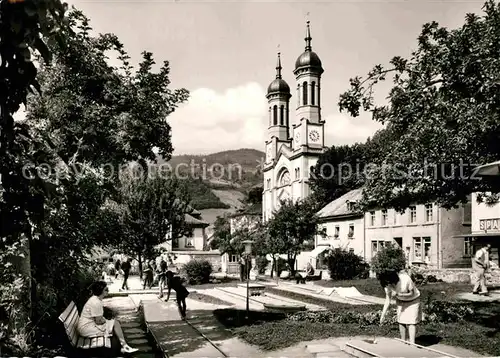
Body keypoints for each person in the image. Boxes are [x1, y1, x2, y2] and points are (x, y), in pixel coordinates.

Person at [77, 281, 138, 354]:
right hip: (86, 328)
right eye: (106, 289)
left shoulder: (96, 299)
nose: (108, 290)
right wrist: (106, 321)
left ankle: (123, 346)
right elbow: (98, 321)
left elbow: (98, 319)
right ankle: (123, 347)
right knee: (114, 325)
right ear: (101, 291)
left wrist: (107, 321)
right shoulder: (96, 302)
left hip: (88, 325)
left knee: (114, 323)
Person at [379, 270, 421, 344]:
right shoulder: (387, 285)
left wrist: (399, 294)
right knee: (401, 321)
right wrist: (383, 315)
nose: (389, 285)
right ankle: (403, 342)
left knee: (411, 322)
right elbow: (387, 300)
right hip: (401, 301)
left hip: (413, 300)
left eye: (389, 282)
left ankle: (412, 344)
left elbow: (411, 293)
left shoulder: (405, 279)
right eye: (386, 283)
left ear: (393, 279)